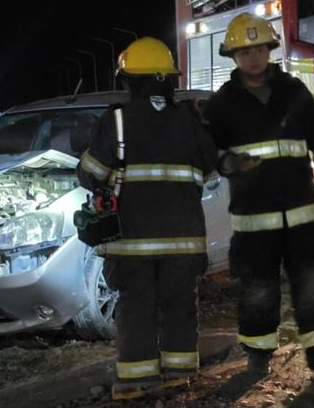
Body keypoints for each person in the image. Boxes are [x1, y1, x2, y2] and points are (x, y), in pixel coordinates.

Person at [202, 12, 314, 375]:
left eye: (260, 49)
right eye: (245, 51)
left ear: (270, 50)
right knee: (258, 289)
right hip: (253, 220)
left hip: (301, 214)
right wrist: (231, 162)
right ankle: (258, 354)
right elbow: (209, 155)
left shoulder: (294, 91)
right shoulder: (222, 104)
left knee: (311, 283)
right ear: (233, 55)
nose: (254, 57)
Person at [76, 37, 218, 400]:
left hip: (133, 240)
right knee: (179, 304)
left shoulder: (117, 120)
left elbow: (92, 172)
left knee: (136, 306)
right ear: (167, 79)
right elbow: (210, 167)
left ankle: (138, 379)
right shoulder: (190, 120)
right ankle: (179, 374)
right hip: (184, 240)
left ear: (129, 80)